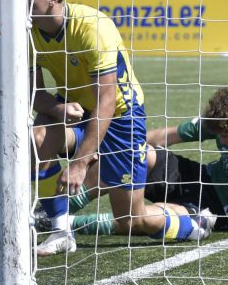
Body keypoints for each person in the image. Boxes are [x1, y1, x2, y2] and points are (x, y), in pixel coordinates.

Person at [28, 0, 206, 257]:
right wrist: (58, 110)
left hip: (121, 117)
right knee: (39, 137)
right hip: (76, 112)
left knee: (130, 221)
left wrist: (80, 163)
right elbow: (32, 93)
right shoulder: (27, 30)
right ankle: (61, 232)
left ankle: (194, 223)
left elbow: (107, 101)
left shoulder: (91, 28)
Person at [39, 88, 228, 236]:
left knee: (140, 220)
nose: (223, 140)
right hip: (201, 177)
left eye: (226, 135)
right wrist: (109, 149)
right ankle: (55, 210)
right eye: (221, 135)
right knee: (129, 155)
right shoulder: (221, 120)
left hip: (216, 208)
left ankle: (67, 223)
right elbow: (164, 136)